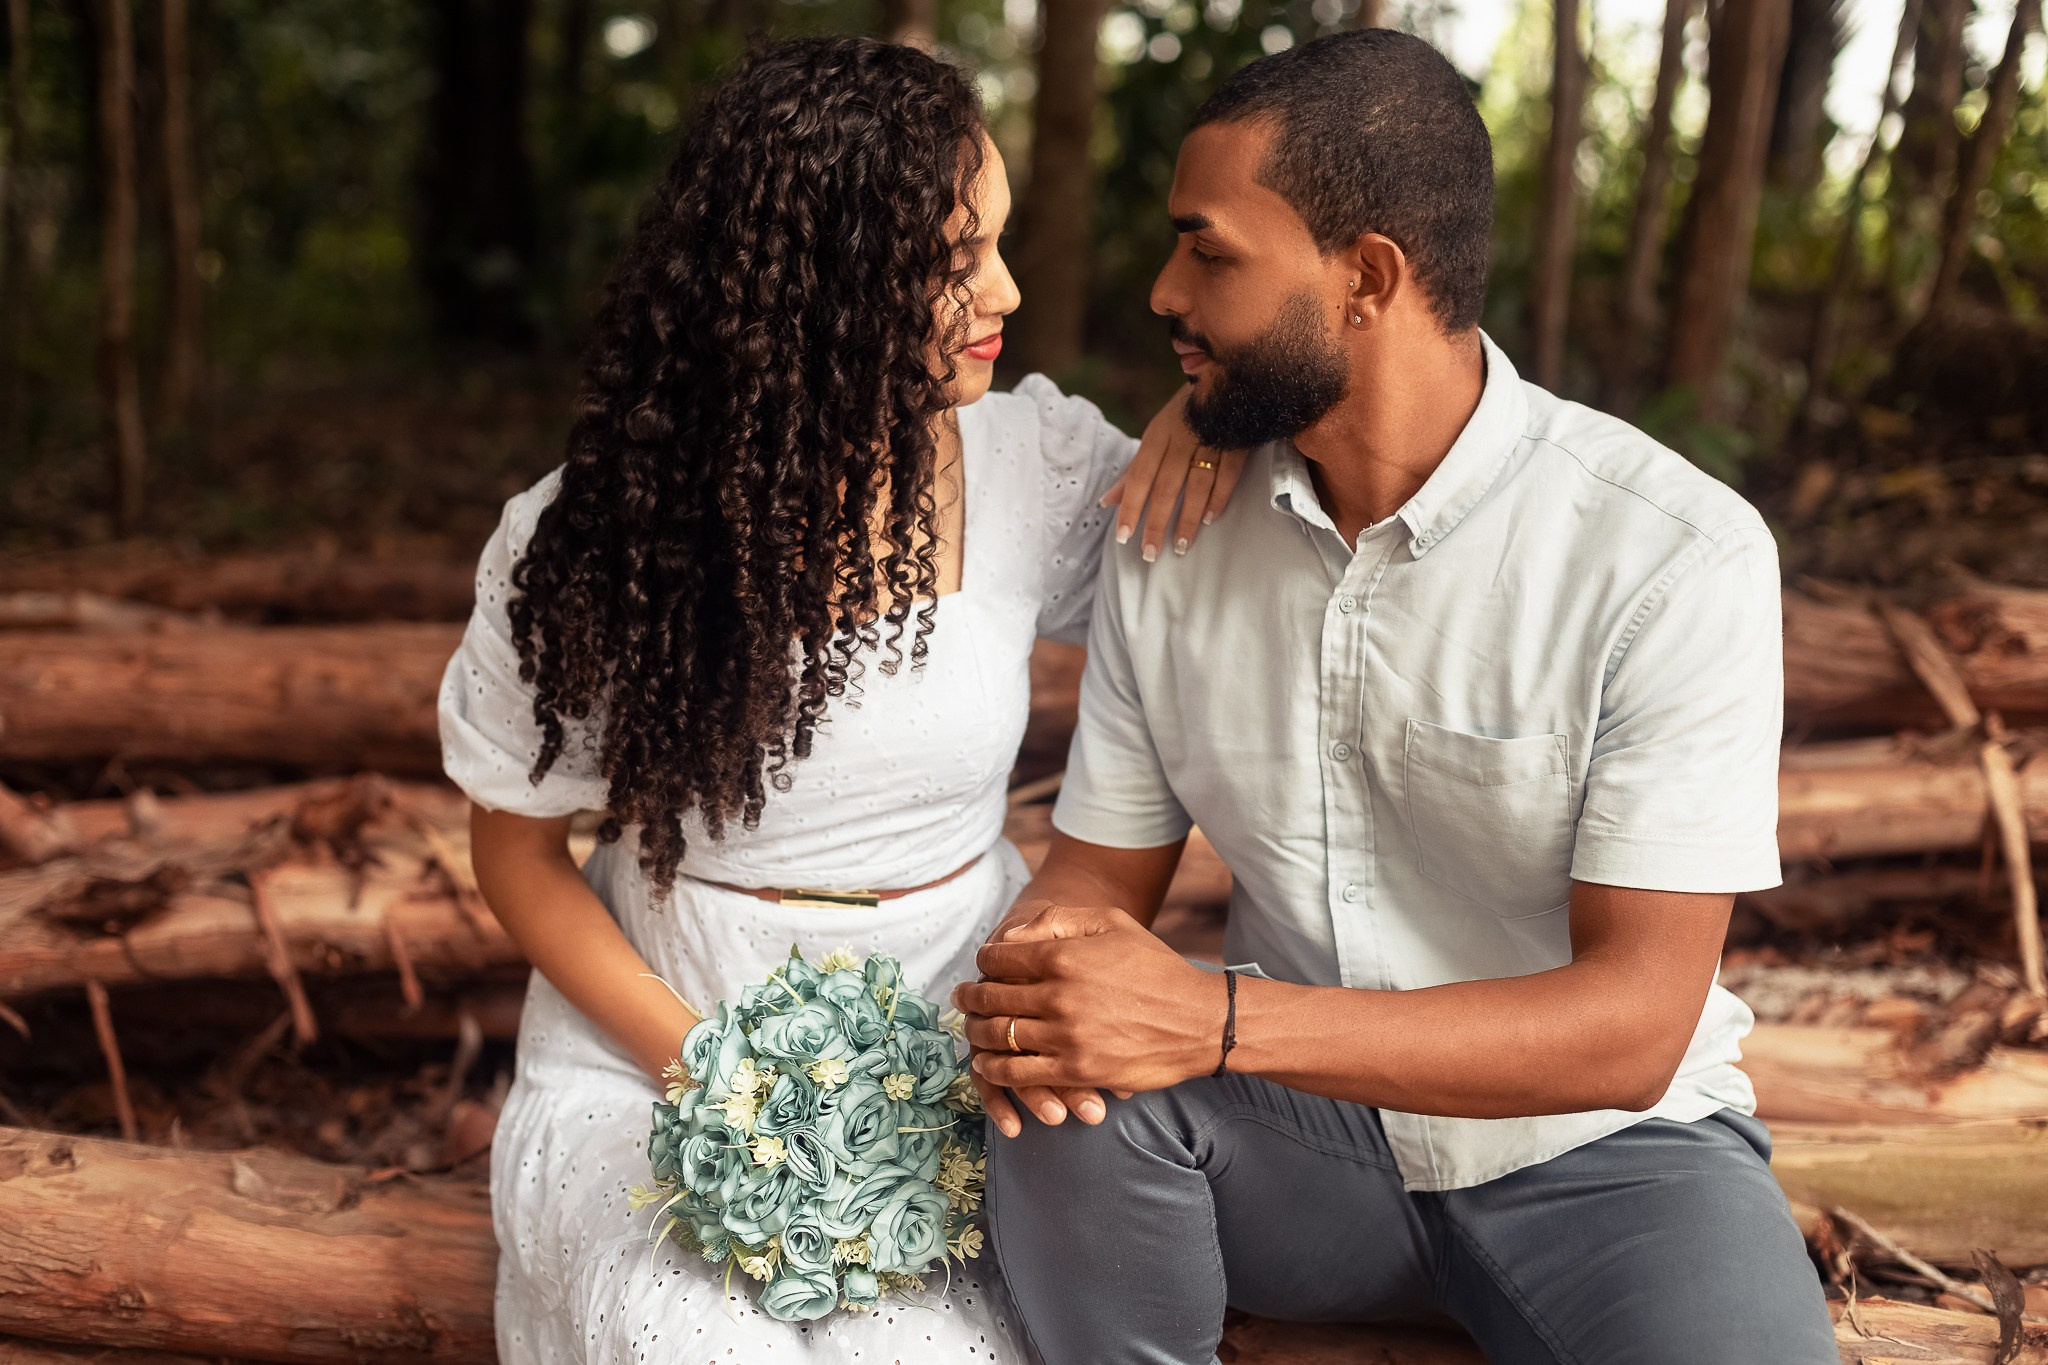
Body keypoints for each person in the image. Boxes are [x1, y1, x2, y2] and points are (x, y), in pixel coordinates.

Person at [954, 29, 1841, 1365]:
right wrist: (1035, 993)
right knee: (1060, 1099)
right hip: (1297, 1148)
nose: (1162, 289)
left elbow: (1636, 1026)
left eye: (1210, 252)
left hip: (1611, 1163)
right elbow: (1097, 872)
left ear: (1366, 277)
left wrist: (1213, 1013)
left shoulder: (1669, 553)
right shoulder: (1178, 533)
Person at [437, 36, 1233, 1365]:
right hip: (660, 1035)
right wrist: (707, 1074)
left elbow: (1233, 568)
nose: (1007, 289)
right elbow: (513, 849)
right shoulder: (592, 534)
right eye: (955, 259)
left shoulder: (1031, 460)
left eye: (1001, 241)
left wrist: (1213, 419)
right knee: (695, 1339)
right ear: (822, 287)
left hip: (946, 1025)